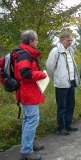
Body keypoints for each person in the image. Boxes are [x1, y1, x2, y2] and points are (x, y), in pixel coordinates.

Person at [14, 30, 46, 160]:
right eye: (36, 40)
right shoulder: (25, 55)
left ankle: (29, 144)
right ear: (30, 41)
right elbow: (25, 74)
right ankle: (26, 151)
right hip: (28, 92)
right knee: (32, 120)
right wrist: (41, 74)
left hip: (27, 91)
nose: (38, 42)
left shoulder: (24, 53)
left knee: (28, 120)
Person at [46, 32, 80, 135]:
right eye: (68, 40)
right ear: (62, 40)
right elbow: (49, 67)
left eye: (71, 40)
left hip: (71, 82)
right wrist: (56, 78)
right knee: (62, 106)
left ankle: (68, 124)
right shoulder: (56, 51)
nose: (70, 42)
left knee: (71, 104)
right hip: (61, 84)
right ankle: (61, 127)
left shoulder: (70, 50)